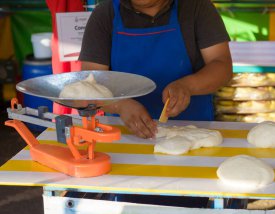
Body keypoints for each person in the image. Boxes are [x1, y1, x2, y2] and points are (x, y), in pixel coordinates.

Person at [78, 0, 232, 138]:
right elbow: (90, 83)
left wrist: (187, 86)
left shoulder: (196, 6)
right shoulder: (105, 14)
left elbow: (221, 65)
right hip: (124, 133)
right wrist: (120, 105)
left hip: (193, 132)